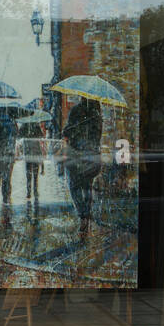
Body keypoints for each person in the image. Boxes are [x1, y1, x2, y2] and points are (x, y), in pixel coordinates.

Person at [61, 97, 102, 242]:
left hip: (77, 156)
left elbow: (69, 131)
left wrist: (65, 131)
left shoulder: (76, 110)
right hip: (93, 156)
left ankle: (82, 214)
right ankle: (87, 213)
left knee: (74, 186)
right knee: (88, 186)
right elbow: (98, 136)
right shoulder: (98, 114)